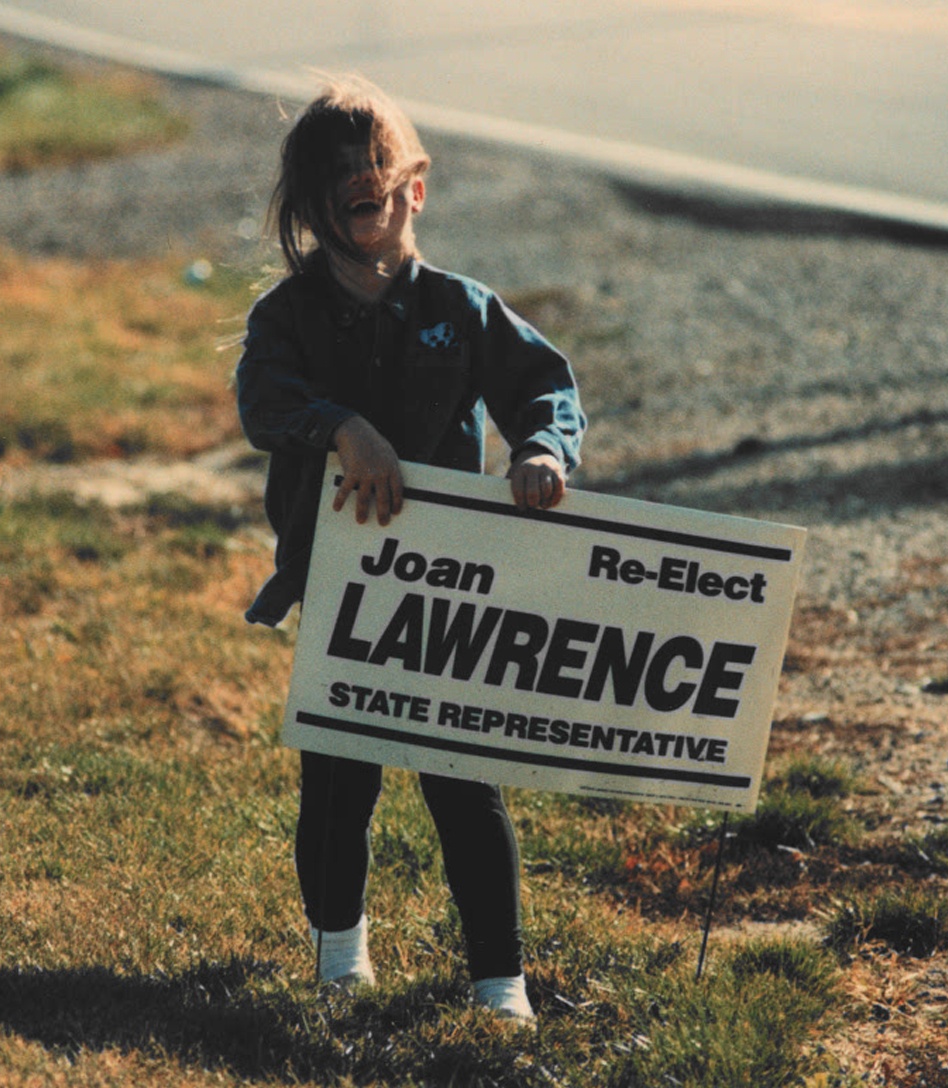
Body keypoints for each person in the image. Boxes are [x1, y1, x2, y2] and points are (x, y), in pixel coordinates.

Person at [233, 77, 585, 1022]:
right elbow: (263, 404)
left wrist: (544, 448)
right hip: (343, 584)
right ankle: (341, 952)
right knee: (341, 776)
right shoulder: (288, 318)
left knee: (465, 783)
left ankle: (498, 981)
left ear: (415, 190)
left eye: (378, 169)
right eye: (338, 178)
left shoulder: (462, 310)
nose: (363, 184)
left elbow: (544, 385)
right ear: (310, 207)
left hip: (452, 594)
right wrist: (342, 425)